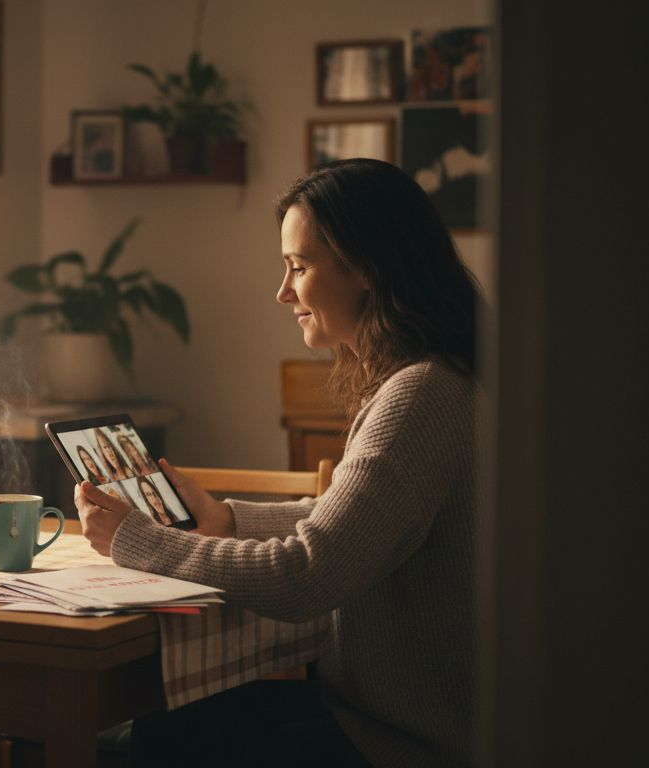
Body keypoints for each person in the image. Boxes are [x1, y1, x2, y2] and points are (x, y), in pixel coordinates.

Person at [75, 159, 480, 767]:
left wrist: (140, 541)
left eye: (299, 266)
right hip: (392, 717)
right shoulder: (439, 378)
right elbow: (351, 521)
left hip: (404, 743)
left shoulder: (420, 394)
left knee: (164, 732)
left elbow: (307, 576)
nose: (283, 291)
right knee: (172, 723)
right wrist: (226, 520)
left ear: (365, 267)